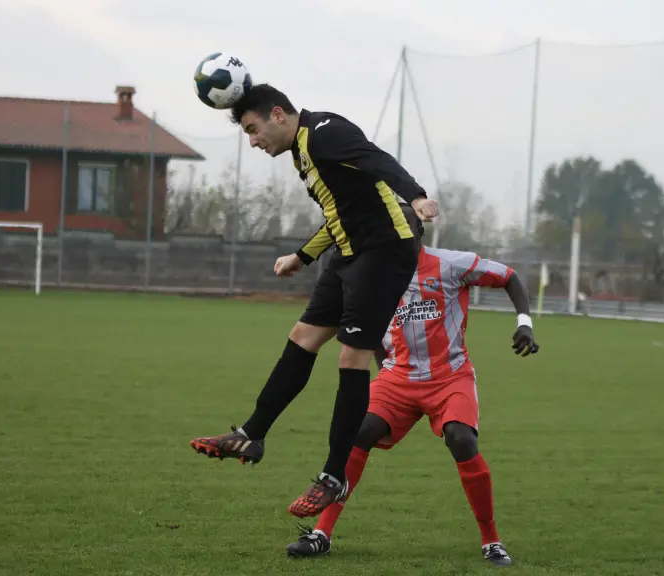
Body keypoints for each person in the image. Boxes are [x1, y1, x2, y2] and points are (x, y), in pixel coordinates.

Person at [190, 84, 440, 518]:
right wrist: (302, 256)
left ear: (278, 115)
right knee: (302, 337)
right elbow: (337, 215)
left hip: (384, 252)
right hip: (348, 254)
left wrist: (416, 194)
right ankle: (252, 433)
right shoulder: (302, 151)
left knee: (351, 357)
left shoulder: (323, 132)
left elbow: (376, 159)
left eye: (253, 129)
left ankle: (333, 474)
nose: (253, 141)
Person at [285, 205, 539, 567]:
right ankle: (321, 534)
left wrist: (525, 323)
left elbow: (509, 276)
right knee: (358, 432)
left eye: (403, 228)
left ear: (419, 231)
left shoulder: (451, 264)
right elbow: (365, 323)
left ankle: (491, 541)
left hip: (450, 376)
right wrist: (383, 369)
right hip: (398, 377)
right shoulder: (373, 275)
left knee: (461, 438)